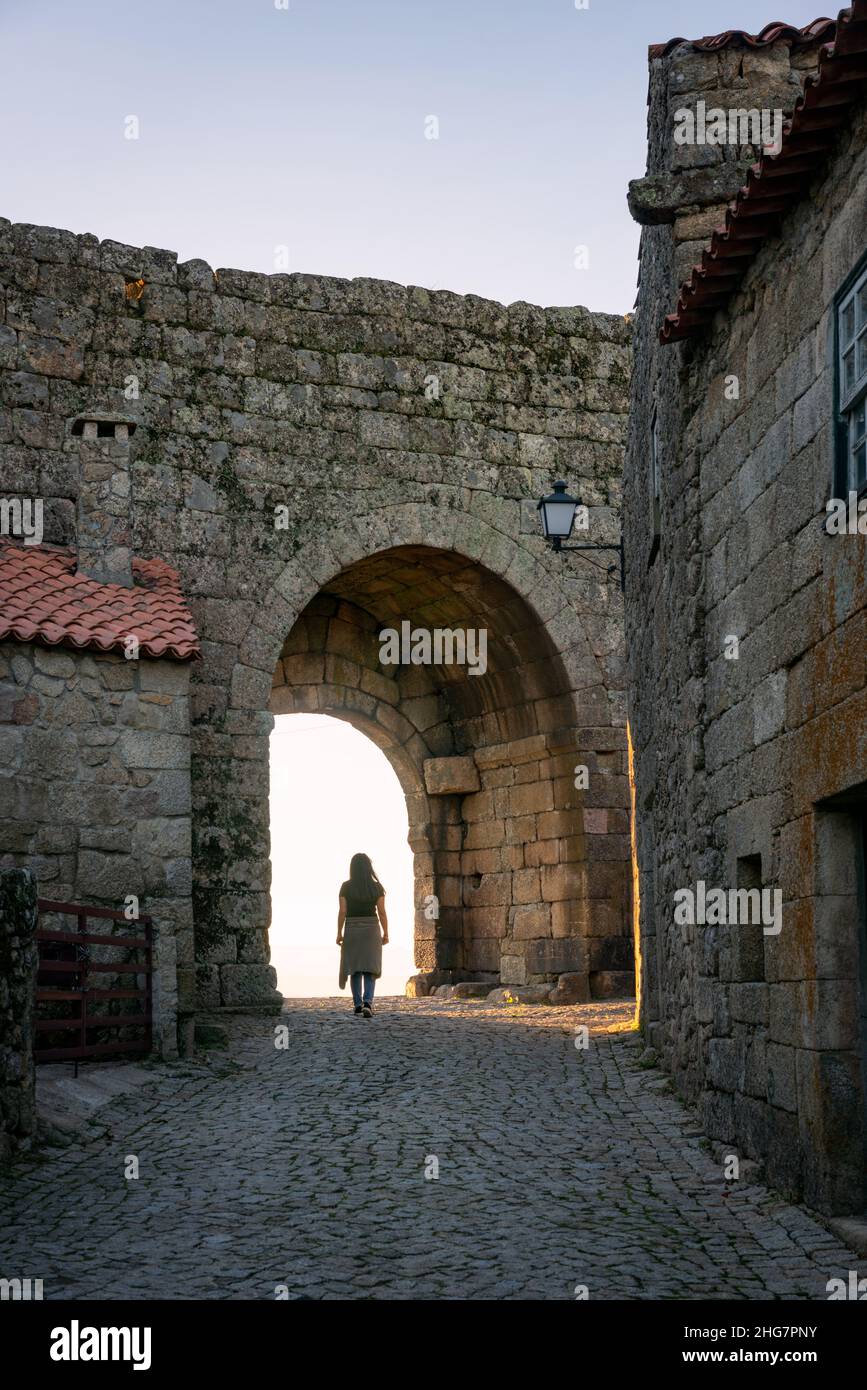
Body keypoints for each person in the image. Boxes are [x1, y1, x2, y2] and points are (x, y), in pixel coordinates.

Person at [337, 852, 388, 1017]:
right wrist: (386, 932)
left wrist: (339, 933)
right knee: (370, 968)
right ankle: (368, 1002)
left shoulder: (346, 886)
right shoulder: (376, 887)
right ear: (369, 868)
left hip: (352, 928)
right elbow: (382, 913)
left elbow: (342, 911)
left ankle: (358, 1004)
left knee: (355, 968)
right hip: (372, 928)